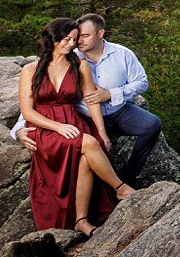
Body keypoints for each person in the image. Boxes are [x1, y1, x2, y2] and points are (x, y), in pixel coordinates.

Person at [13, 13, 163, 182]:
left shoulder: (122, 54)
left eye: (84, 36)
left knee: (152, 124)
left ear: (100, 34)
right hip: (85, 116)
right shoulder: (70, 56)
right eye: (77, 37)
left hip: (118, 111)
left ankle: (130, 175)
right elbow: (41, 97)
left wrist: (111, 93)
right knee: (89, 149)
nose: (78, 42)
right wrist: (18, 129)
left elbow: (142, 82)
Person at [20, 17, 134, 234]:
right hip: (46, 129)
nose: (70, 44)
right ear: (52, 38)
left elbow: (91, 101)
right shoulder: (30, 70)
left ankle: (81, 220)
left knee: (86, 157)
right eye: (66, 39)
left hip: (72, 121)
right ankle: (120, 188)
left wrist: (102, 132)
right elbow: (28, 111)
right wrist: (57, 127)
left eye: (74, 40)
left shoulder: (80, 65)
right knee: (89, 143)